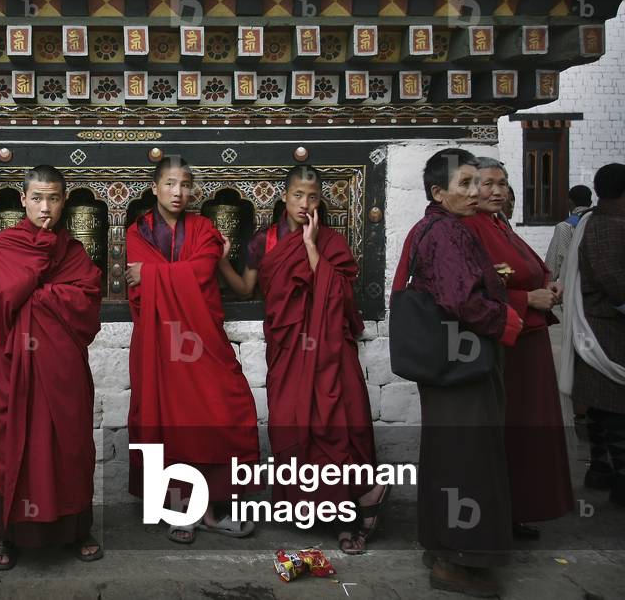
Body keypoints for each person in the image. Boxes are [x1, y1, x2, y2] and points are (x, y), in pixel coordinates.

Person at [217, 164, 386, 554]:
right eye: (298, 195)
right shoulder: (265, 241)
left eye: (313, 197)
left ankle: (347, 519)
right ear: (284, 196)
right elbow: (245, 289)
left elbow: (341, 296)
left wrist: (311, 247)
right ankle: (311, 506)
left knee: (338, 424)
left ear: (321, 200)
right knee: (293, 422)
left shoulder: (331, 241)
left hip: (330, 350)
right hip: (289, 348)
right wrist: (221, 259)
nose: (305, 204)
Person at [392, 148, 523, 598]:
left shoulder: (431, 227)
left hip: (446, 363)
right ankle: (457, 561)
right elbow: (460, 300)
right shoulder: (448, 233)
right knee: (468, 460)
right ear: (438, 192)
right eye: (464, 184)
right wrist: (507, 321)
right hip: (461, 364)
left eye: (476, 182)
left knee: (449, 455)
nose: (475, 192)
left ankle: (442, 544)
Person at [125, 155, 260, 544]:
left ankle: (214, 512)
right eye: (169, 184)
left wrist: (152, 274)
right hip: (158, 342)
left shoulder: (204, 229)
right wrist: (157, 275)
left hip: (202, 340)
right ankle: (181, 511)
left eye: (184, 185)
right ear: (155, 188)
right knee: (170, 424)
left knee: (221, 414)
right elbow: (141, 282)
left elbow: (202, 271)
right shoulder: (139, 231)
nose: (177, 192)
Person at [0, 165, 104, 570]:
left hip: (63, 367)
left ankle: (76, 529)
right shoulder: (6, 243)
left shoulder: (74, 251)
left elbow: (88, 302)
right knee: (15, 442)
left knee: (68, 444)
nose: (45, 207)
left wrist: (43, 293)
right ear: (23, 200)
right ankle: (7, 534)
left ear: (64, 201)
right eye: (37, 198)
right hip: (18, 363)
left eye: (53, 198)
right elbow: (11, 294)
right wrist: (48, 288)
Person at [461, 158, 573, 539]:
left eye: (502, 183)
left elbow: (531, 268)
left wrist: (549, 286)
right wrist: (527, 300)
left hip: (529, 342)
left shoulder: (499, 224)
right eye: (487, 183)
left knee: (528, 431)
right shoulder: (469, 229)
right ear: (471, 189)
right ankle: (498, 513)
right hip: (506, 344)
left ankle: (516, 509)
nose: (496, 191)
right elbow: (471, 294)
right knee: (509, 430)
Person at [559, 163, 625, 505]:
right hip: (605, 328)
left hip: (602, 325)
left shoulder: (602, 222)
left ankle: (601, 468)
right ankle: (616, 476)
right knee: (614, 408)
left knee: (603, 406)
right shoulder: (607, 225)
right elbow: (613, 278)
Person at [544, 184, 593, 281]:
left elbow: (552, 266)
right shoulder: (597, 223)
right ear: (590, 203)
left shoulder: (564, 227)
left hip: (572, 286)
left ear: (569, 202)